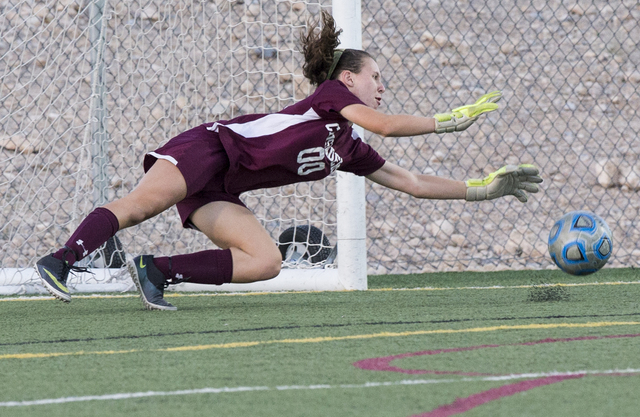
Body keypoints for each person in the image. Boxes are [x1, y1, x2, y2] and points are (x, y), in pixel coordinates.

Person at [35, 11, 542, 310]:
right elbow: (385, 124)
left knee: (267, 262)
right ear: (347, 80)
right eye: (375, 77)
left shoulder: (346, 145)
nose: (381, 86)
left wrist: (482, 189)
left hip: (223, 185)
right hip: (209, 148)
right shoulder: (327, 96)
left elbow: (410, 181)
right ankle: (61, 260)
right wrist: (449, 119)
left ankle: (156, 270)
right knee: (139, 207)